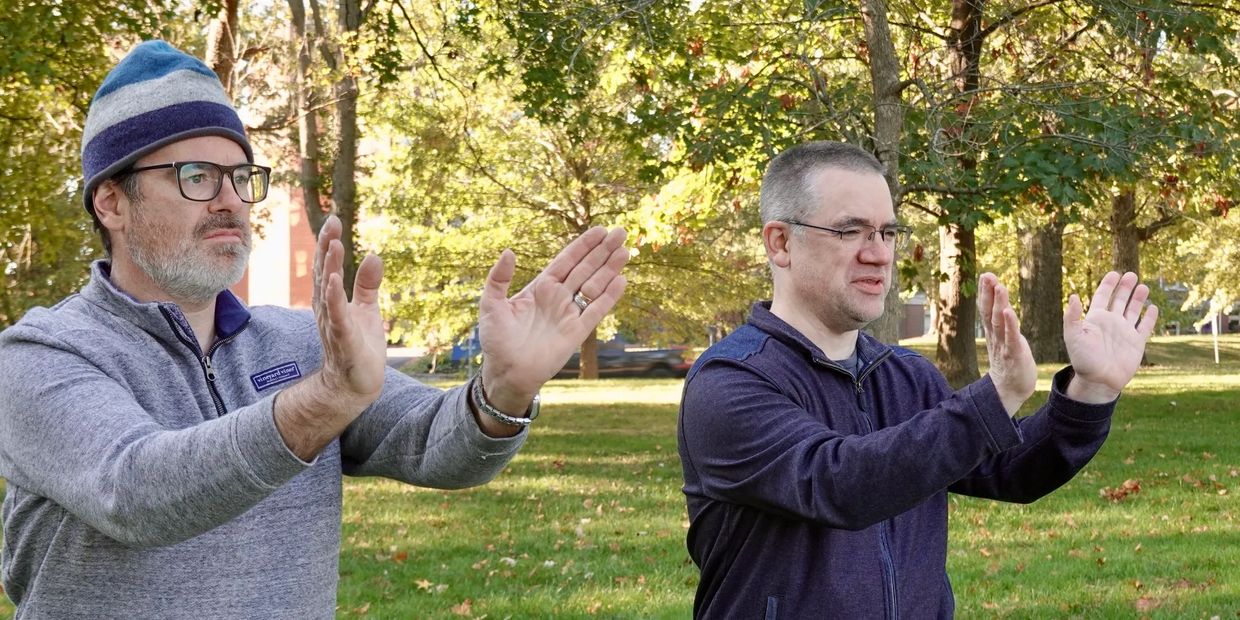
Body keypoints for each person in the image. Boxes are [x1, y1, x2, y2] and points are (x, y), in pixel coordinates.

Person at [0, 40, 628, 618]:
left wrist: (504, 393)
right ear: (111, 200)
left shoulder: (301, 343)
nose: (231, 201)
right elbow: (135, 491)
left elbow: (435, 446)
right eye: (197, 176)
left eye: (242, 177)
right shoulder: (41, 356)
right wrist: (324, 401)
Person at [677, 141, 1158, 618]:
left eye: (888, 232)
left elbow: (1009, 469)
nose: (879, 254)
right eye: (851, 231)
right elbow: (837, 483)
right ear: (780, 242)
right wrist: (996, 395)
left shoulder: (906, 376)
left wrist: (1091, 392)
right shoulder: (729, 380)